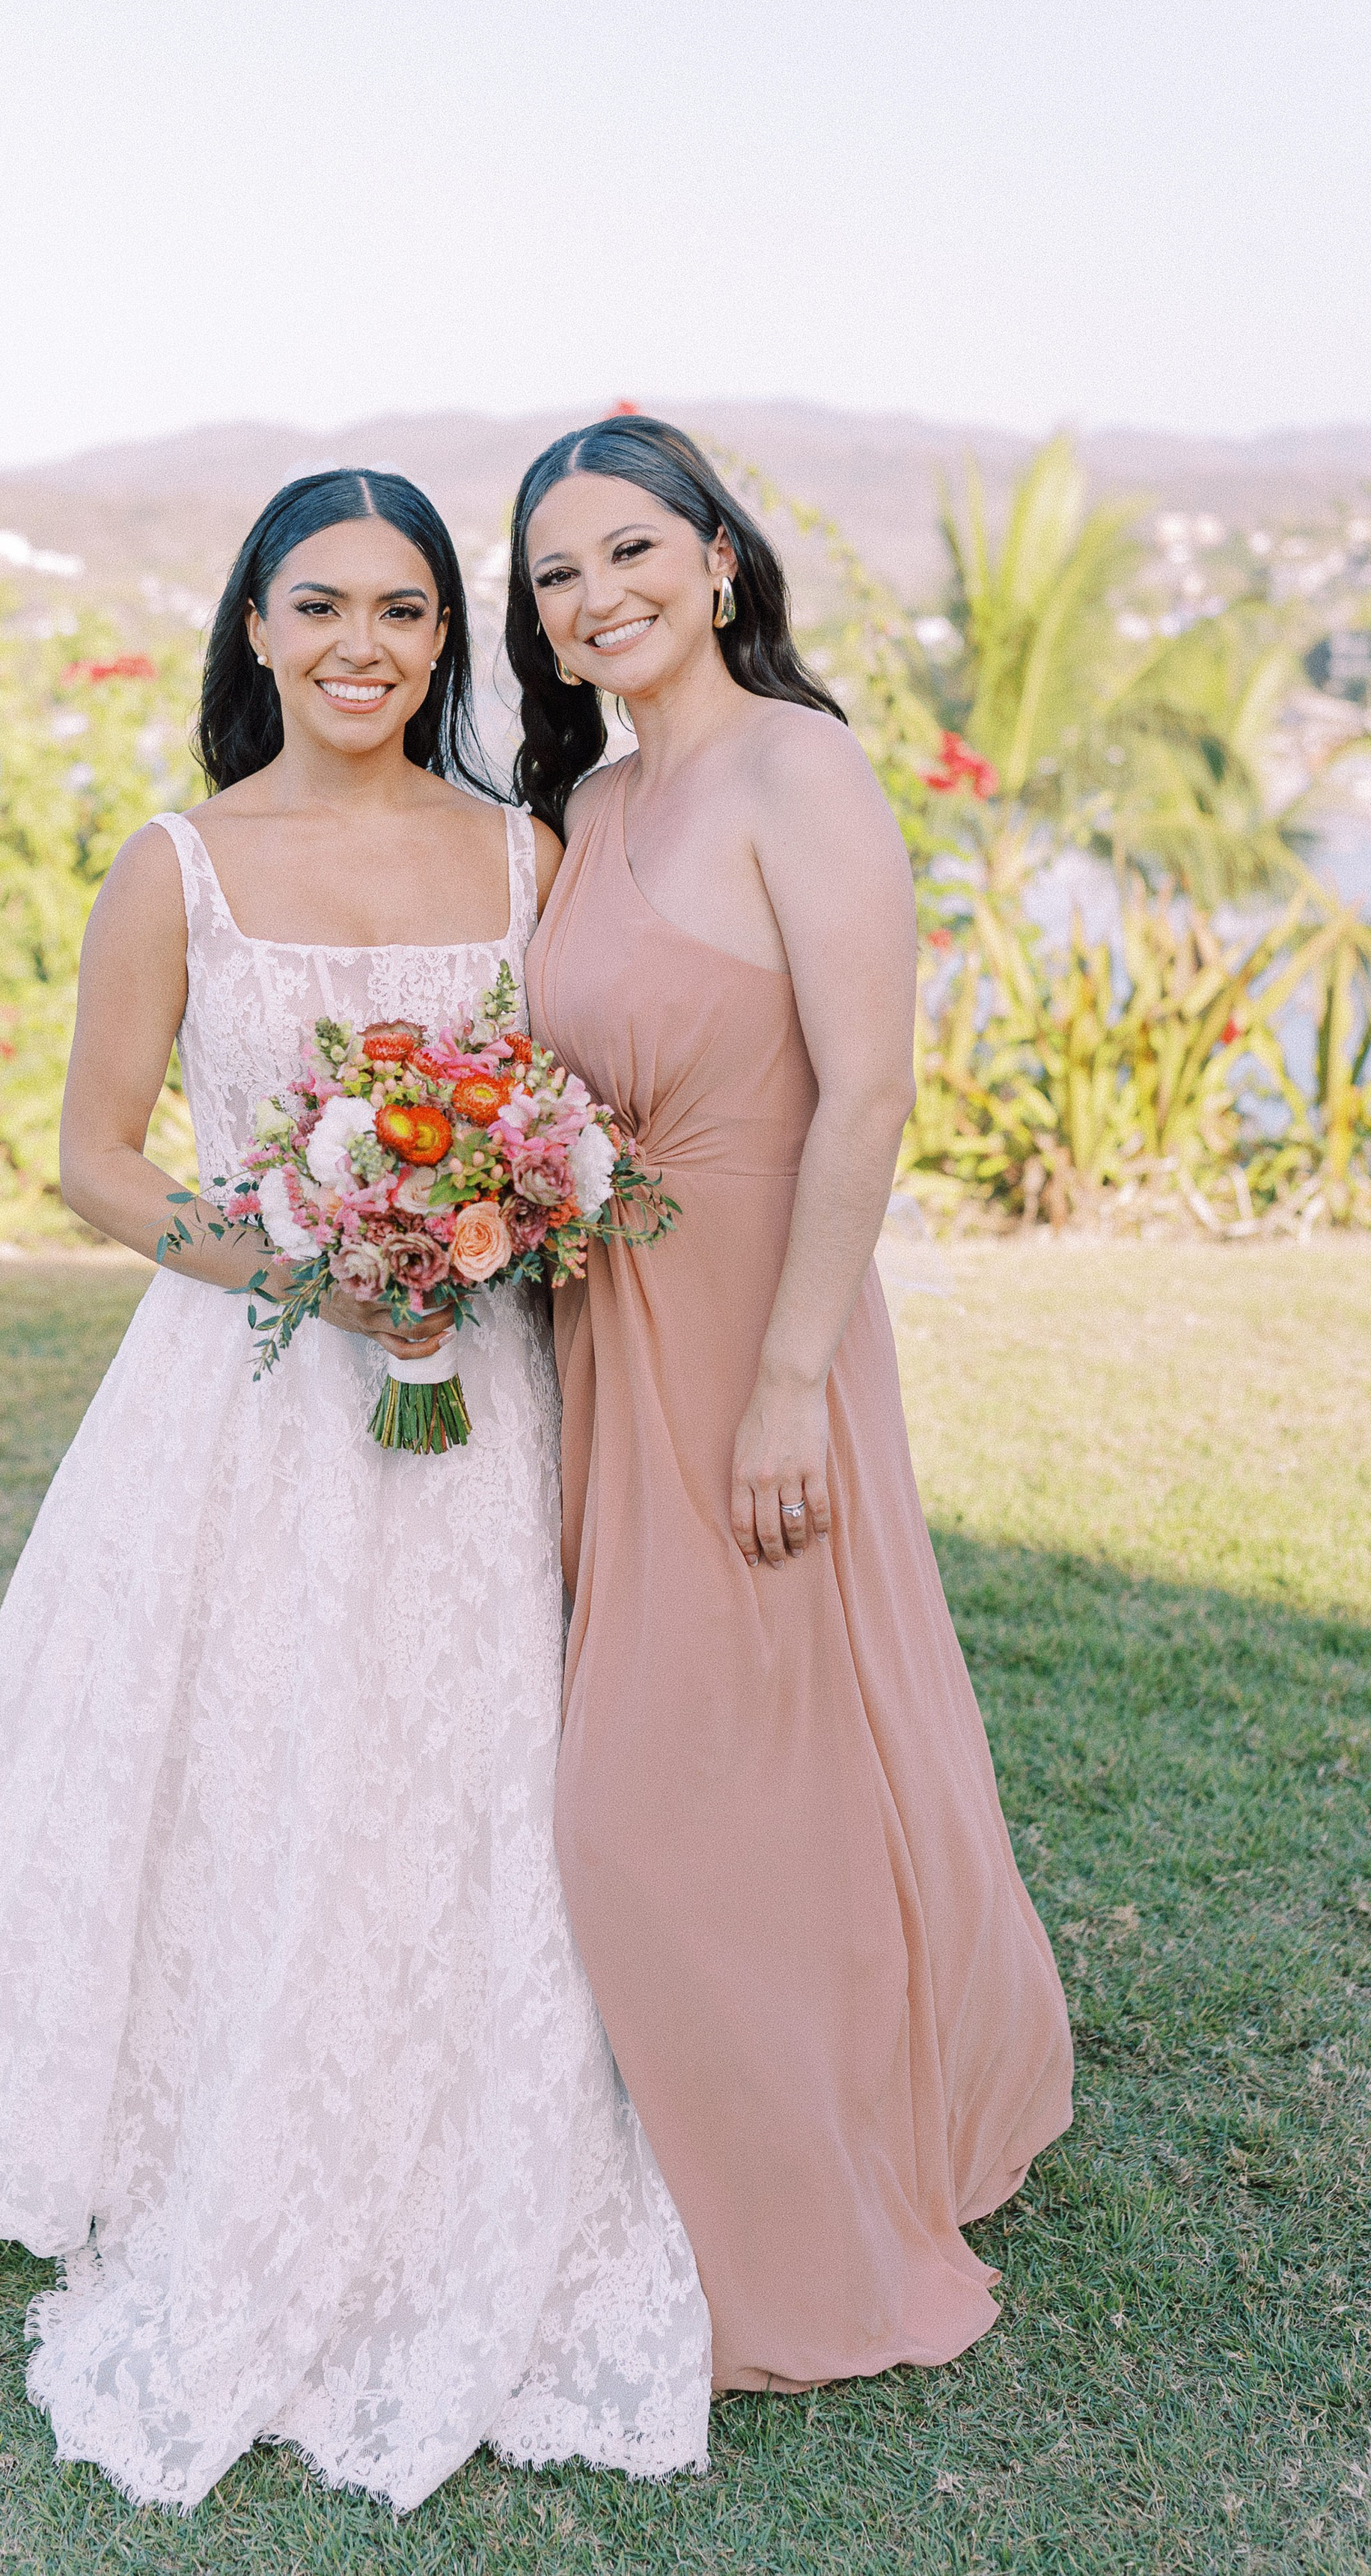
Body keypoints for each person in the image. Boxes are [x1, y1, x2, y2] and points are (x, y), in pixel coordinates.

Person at [0, 467, 712, 2510]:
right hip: (245, 1392)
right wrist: (319, 1266)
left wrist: (481, 1225)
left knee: (472, 1770)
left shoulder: (528, 851)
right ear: (252, 627)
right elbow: (101, 1159)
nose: (361, 647)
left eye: (405, 613)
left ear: (449, 640)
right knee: (229, 1758)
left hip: (482, 1398)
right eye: (318, 606)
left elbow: (580, 1099)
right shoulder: (176, 866)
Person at [513, 413, 1073, 2398]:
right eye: (561, 571)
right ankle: (728, 2122)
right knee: (712, 1758)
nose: (600, 595)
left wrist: (785, 1390)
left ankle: (808, 2179)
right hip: (604, 1326)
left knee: (670, 1791)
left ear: (720, 558)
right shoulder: (587, 805)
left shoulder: (797, 768)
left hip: (763, 1329)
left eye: (633, 549)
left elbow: (871, 1091)